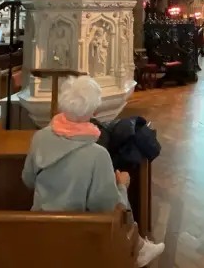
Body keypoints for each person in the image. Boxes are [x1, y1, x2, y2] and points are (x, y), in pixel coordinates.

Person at [22, 76, 165, 267]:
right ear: (94, 110)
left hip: (41, 229)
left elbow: (28, 180)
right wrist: (122, 185)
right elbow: (109, 208)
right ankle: (138, 249)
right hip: (80, 237)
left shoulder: (40, 137)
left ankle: (140, 246)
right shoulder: (97, 155)